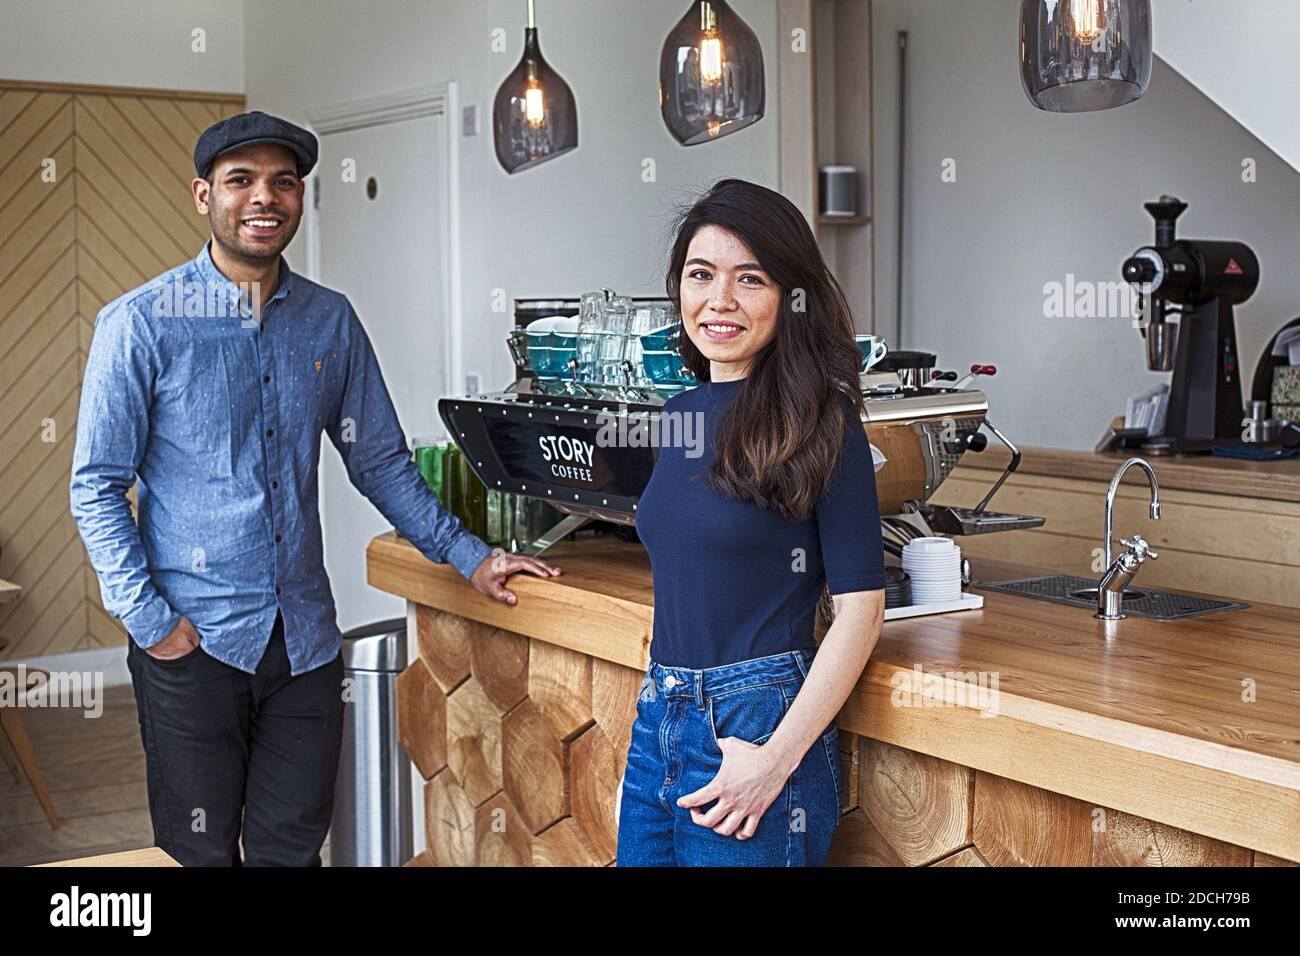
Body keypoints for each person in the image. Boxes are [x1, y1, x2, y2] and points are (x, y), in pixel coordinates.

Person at [68, 110, 560, 867]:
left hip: (303, 647)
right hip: (190, 644)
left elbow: (383, 464)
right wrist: (148, 619)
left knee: (292, 849)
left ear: (300, 198)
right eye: (241, 181)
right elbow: (97, 487)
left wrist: (472, 556)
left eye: (284, 182)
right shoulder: (139, 325)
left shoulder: (330, 322)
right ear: (204, 196)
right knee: (197, 851)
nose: (264, 198)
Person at [615, 178, 887, 866]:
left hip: (758, 726)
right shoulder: (677, 415)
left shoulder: (825, 420)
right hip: (661, 721)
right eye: (701, 275)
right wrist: (660, 720)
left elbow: (862, 611)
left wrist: (773, 761)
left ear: (789, 297)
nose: (721, 300)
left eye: (751, 279)